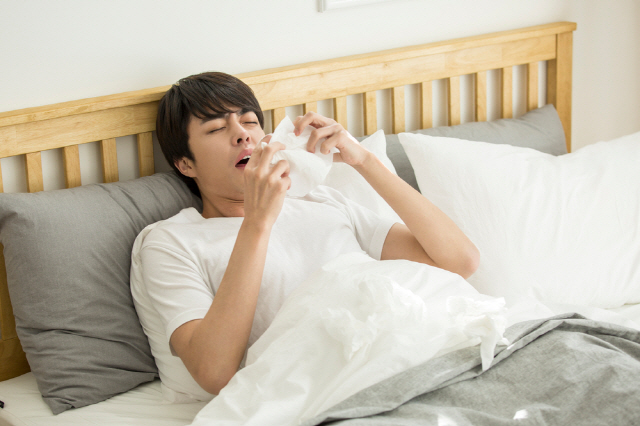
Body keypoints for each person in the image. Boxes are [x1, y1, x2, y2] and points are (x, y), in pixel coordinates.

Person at [130, 71, 479, 401]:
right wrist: (257, 222)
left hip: (430, 348)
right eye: (217, 128)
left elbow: (460, 261)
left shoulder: (320, 200)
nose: (242, 135)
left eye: (249, 121)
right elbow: (213, 372)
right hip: (332, 387)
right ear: (185, 164)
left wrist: (364, 161)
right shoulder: (171, 242)